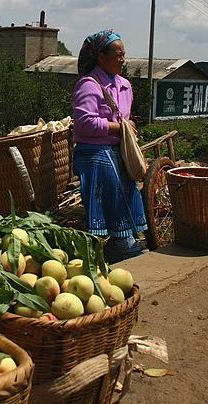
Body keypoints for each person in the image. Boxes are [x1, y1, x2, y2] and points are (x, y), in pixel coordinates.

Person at [72, 29, 147, 263]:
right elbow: (84, 124)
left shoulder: (125, 85)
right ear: (101, 57)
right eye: (117, 54)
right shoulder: (88, 85)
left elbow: (126, 117)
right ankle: (120, 242)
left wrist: (128, 124)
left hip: (116, 149)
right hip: (92, 151)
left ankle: (126, 234)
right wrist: (118, 127)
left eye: (124, 54)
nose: (122, 59)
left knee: (130, 179)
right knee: (110, 172)